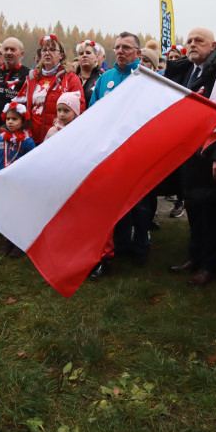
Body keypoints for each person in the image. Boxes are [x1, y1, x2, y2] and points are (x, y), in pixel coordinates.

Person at [165, 27, 216, 287]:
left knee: (211, 213)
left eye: (198, 41)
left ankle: (209, 265)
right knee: (193, 207)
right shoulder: (183, 71)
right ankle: (195, 256)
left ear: (212, 46)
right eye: (189, 41)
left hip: (211, 152)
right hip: (187, 152)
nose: (192, 45)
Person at [88, 33, 146, 277]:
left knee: (138, 203)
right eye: (117, 47)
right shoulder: (105, 79)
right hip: (107, 152)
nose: (120, 51)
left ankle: (141, 246)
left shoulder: (147, 79)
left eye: (126, 47)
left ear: (138, 53)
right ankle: (110, 252)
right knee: (109, 203)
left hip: (136, 152)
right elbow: (92, 113)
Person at [0, 102, 36, 257]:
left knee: (18, 211)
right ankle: (7, 240)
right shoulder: (0, 139)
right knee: (6, 211)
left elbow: (33, 161)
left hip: (19, 183)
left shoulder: (27, 141)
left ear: (23, 121)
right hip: (2, 181)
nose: (10, 122)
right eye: (8, 119)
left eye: (14, 119)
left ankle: (19, 242)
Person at [15, 35, 84, 144]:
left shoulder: (70, 78)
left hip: (59, 140)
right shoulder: (32, 78)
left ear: (61, 55)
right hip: (32, 140)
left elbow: (80, 109)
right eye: (44, 50)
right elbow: (19, 107)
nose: (47, 53)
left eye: (52, 50)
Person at [75, 39, 105, 105]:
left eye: (88, 53)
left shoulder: (103, 77)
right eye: (81, 54)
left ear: (97, 57)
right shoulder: (71, 77)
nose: (84, 55)